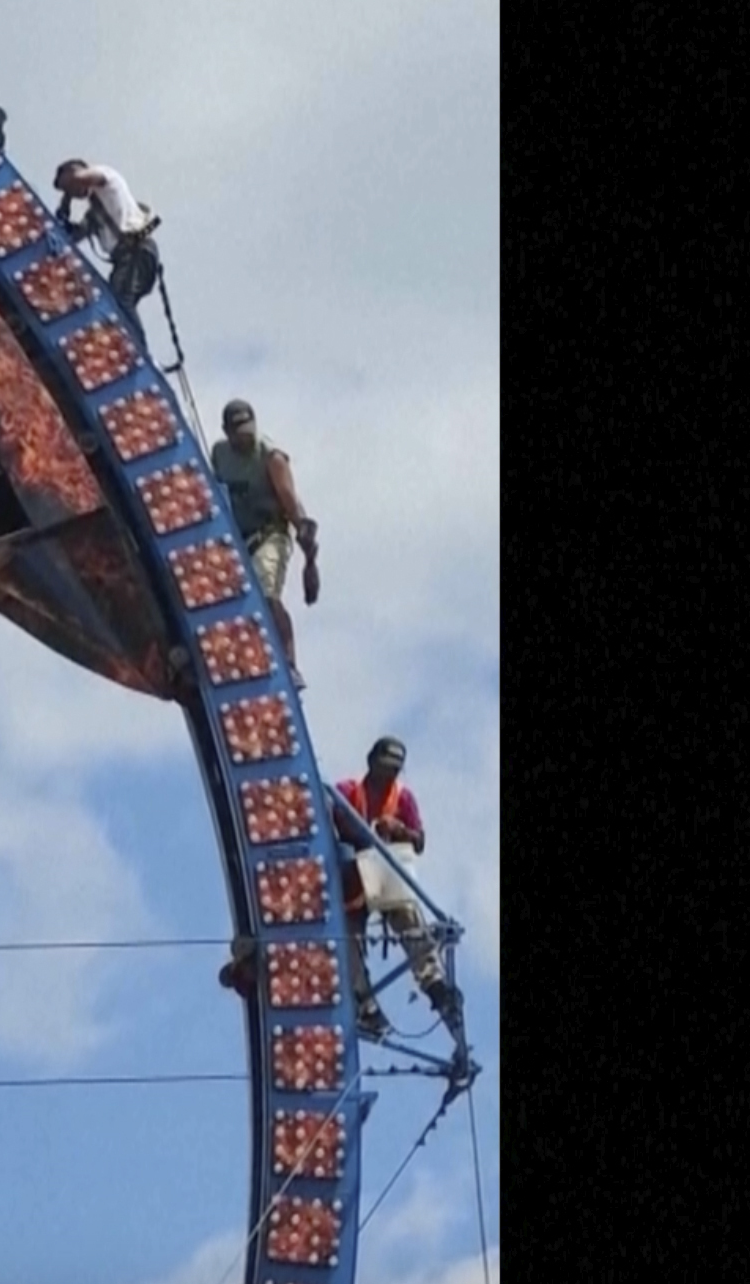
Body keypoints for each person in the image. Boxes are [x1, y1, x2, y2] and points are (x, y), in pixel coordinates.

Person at [331, 737, 465, 1043]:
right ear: (372, 763)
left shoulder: (402, 798)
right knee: (346, 938)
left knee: (407, 915)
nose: (389, 776)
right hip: (354, 878)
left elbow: (418, 842)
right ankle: (366, 1005)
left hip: (385, 872)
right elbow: (327, 812)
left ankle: (435, 985)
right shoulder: (349, 791)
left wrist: (399, 830)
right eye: (385, 768)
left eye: (394, 770)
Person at [208, 399, 320, 689]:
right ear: (226, 431)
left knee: (265, 592)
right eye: (238, 433)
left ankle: (289, 663)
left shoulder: (271, 456)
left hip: (271, 533)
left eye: (248, 431)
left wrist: (305, 541)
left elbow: (289, 498)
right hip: (238, 537)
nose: (244, 438)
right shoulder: (220, 454)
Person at [51, 159, 162, 341]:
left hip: (137, 249)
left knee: (120, 297)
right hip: (126, 258)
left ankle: (139, 348)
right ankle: (129, 341)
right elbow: (71, 237)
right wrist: (66, 204)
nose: (73, 192)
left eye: (69, 188)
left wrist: (70, 183)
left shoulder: (106, 178)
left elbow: (82, 177)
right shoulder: (94, 215)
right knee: (117, 302)